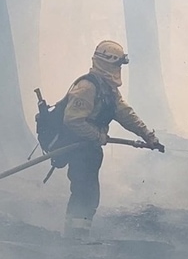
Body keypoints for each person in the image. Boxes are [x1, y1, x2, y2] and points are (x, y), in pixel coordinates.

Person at [58, 40, 163, 241]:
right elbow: (72, 120)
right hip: (78, 149)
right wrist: (97, 136)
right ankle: (73, 239)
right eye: (116, 65)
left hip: (90, 150)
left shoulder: (108, 89)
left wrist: (148, 136)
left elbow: (125, 114)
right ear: (107, 63)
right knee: (84, 193)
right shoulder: (87, 87)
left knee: (89, 194)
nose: (118, 69)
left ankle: (77, 236)